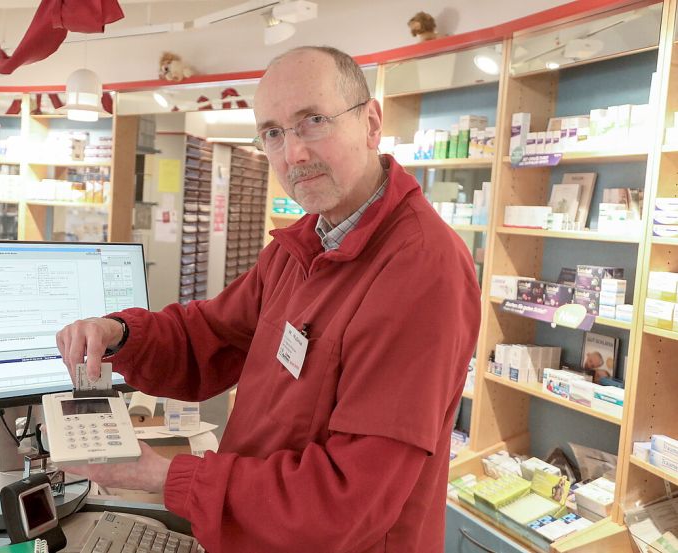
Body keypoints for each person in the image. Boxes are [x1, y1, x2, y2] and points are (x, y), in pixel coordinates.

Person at [56, 45, 481, 553]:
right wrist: (120, 333)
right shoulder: (304, 245)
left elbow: (346, 503)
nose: (293, 154)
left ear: (370, 123)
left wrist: (167, 475)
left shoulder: (419, 270)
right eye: (273, 133)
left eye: (313, 121)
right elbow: (209, 336)